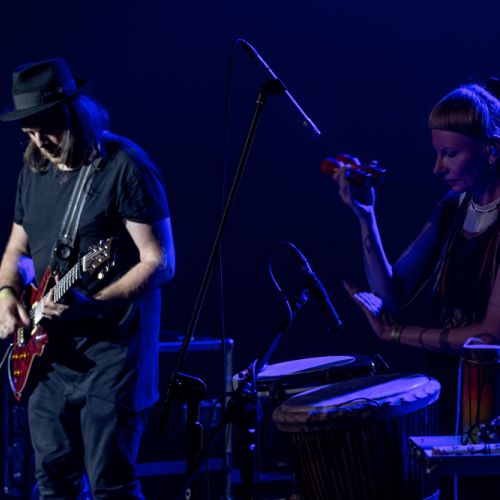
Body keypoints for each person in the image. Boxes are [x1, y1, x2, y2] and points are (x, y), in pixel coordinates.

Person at [0, 58, 175, 499]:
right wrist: (6, 293)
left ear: (73, 113)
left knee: (110, 486)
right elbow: (18, 251)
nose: (40, 143)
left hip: (112, 357)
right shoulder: (33, 170)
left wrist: (93, 304)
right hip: (47, 357)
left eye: (47, 130)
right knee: (52, 484)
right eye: (30, 133)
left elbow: (159, 261)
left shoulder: (125, 166)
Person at [333, 81, 500, 498]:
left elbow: (489, 337)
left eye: (450, 154)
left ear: (492, 150)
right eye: (436, 153)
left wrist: (395, 334)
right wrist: (366, 217)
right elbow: (392, 294)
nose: (437, 168)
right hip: (449, 387)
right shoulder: (452, 208)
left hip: (492, 400)